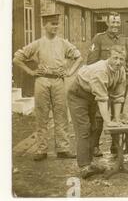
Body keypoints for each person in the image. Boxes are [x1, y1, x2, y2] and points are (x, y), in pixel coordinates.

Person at [13, 13, 83, 161]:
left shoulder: (63, 43)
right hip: (42, 81)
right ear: (44, 25)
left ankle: (63, 149)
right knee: (42, 115)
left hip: (58, 81)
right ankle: (41, 149)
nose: (55, 26)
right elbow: (17, 58)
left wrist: (70, 71)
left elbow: (79, 57)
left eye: (57, 23)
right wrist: (31, 72)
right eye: (52, 24)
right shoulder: (38, 43)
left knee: (61, 115)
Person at [67, 45, 127, 179]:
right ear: (109, 57)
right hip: (78, 95)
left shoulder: (121, 71)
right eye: (115, 58)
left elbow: (117, 97)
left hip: (92, 97)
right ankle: (84, 166)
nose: (118, 62)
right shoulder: (101, 70)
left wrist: (116, 119)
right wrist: (108, 122)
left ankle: (91, 163)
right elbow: (102, 99)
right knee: (84, 129)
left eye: (121, 59)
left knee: (93, 127)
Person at [86, 11, 126, 156]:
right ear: (107, 23)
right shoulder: (99, 38)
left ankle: (115, 145)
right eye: (113, 22)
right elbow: (91, 62)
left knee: (117, 113)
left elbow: (123, 61)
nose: (115, 25)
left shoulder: (123, 40)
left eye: (117, 22)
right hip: (101, 82)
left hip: (116, 83)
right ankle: (95, 146)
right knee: (98, 115)